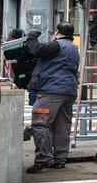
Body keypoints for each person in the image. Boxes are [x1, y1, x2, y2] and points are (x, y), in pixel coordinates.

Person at [25, 22, 80, 173]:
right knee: (62, 126)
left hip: (51, 90)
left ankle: (43, 159)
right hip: (69, 91)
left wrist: (32, 36)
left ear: (57, 32)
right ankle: (60, 159)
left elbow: (36, 49)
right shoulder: (73, 49)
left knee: (40, 124)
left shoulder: (57, 45)